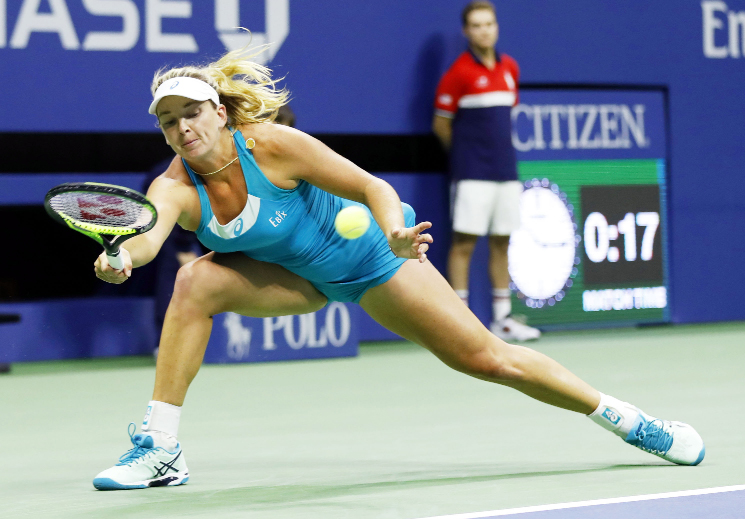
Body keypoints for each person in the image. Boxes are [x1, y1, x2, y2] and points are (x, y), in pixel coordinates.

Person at [90, 47, 704, 490]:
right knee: (194, 280)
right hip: (302, 282)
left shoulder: (273, 146)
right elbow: (146, 239)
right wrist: (120, 256)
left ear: (221, 113)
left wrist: (394, 231)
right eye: (168, 121)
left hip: (377, 255)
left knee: (487, 359)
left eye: (191, 112)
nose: (182, 127)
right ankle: (161, 448)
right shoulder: (173, 185)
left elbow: (370, 185)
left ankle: (628, 421)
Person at [433, 1, 540, 341]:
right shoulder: (458, 74)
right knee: (464, 243)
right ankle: (460, 320)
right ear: (467, 31)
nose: (484, 30)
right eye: (477, 25)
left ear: (496, 27)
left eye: (489, 24)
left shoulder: (510, 68)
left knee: (502, 242)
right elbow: (441, 125)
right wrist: (466, 157)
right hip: (472, 173)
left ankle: (503, 319)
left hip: (506, 171)